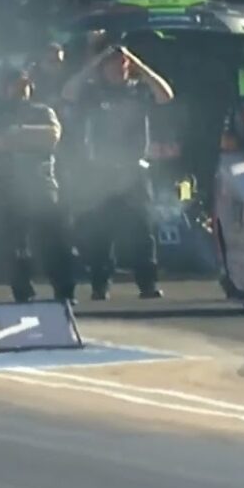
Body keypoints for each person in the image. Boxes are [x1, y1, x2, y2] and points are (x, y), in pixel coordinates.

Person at [62, 42, 175, 300]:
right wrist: (96, 60)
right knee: (100, 229)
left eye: (121, 63)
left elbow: (166, 95)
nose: (117, 67)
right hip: (100, 171)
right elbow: (67, 92)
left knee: (141, 230)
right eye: (111, 63)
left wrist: (138, 63)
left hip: (133, 170)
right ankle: (100, 285)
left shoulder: (138, 91)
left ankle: (147, 284)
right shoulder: (93, 92)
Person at [0, 68, 75, 304]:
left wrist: (18, 133)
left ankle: (64, 291)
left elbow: (52, 136)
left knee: (54, 242)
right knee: (14, 245)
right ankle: (23, 291)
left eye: (24, 84)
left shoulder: (43, 111)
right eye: (16, 84)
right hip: (9, 188)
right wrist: (27, 138)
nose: (21, 89)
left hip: (42, 184)